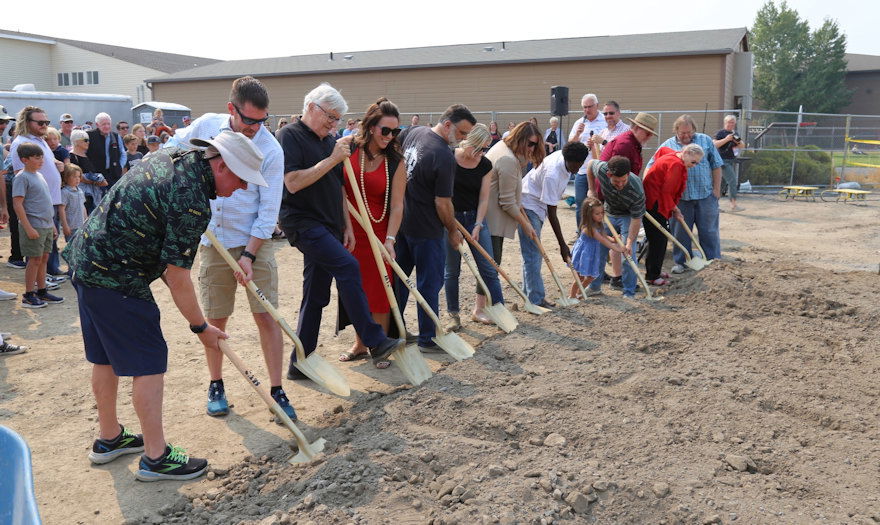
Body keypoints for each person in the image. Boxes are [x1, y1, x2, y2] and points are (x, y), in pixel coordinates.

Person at [63, 130, 266, 481]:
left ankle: (109, 438)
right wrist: (201, 327)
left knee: (104, 356)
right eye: (243, 179)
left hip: (86, 259)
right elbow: (178, 277)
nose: (245, 188)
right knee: (149, 362)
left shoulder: (174, 154)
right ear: (220, 166)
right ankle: (156, 458)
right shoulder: (192, 201)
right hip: (117, 277)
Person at [181, 76, 291, 421]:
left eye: (263, 120)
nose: (257, 128)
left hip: (253, 240)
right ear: (232, 109)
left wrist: (249, 254)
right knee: (215, 316)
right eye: (249, 120)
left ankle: (276, 389)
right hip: (213, 239)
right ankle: (216, 383)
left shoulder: (271, 150)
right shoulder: (206, 126)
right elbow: (175, 150)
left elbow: (268, 209)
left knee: (266, 315)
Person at [277, 83, 404, 377]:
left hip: (330, 226)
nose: (333, 124)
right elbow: (293, 182)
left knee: (316, 295)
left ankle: (300, 362)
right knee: (349, 265)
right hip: (303, 223)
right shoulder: (290, 136)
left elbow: (339, 190)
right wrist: (333, 159)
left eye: (337, 119)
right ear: (311, 108)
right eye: (330, 117)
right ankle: (373, 339)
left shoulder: (327, 140)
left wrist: (345, 226)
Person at [395, 104, 475, 349]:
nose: (462, 139)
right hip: (426, 230)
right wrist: (452, 230)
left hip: (401, 223)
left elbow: (396, 152)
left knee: (399, 280)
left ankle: (394, 331)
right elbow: (442, 202)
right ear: (448, 124)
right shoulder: (443, 155)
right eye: (461, 133)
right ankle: (428, 337)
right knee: (429, 284)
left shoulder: (415, 131)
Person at [339, 98, 406, 365]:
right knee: (355, 289)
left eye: (395, 132)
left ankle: (380, 344)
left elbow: (398, 205)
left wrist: (390, 240)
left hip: (379, 231)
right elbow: (340, 190)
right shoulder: (348, 148)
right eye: (385, 130)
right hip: (351, 230)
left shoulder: (395, 160)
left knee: (380, 288)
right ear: (370, 127)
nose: (389, 137)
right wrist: (345, 227)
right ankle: (360, 344)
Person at [443, 124, 506, 330]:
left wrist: (478, 225)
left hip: (474, 218)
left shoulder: (485, 164)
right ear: (469, 142)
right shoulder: (450, 158)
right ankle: (454, 315)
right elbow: (443, 195)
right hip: (451, 219)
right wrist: (452, 225)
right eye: (479, 148)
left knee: (488, 267)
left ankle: (500, 311)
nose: (481, 153)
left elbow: (484, 198)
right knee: (452, 271)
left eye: (485, 149)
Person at [645, 114, 723, 274]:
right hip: (680, 199)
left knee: (709, 231)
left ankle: (713, 261)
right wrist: (650, 186)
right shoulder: (668, 145)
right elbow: (651, 165)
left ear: (694, 129)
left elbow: (717, 165)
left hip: (705, 195)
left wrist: (716, 189)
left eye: (689, 132)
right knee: (680, 232)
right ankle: (682, 262)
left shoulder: (705, 141)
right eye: (682, 133)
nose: (686, 136)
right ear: (676, 131)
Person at [519, 141, 589, 307]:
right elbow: (552, 212)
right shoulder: (553, 174)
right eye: (577, 166)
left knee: (531, 253)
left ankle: (528, 294)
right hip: (529, 205)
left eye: (581, 165)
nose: (578, 169)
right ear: (568, 160)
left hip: (537, 204)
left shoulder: (566, 159)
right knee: (534, 254)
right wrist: (562, 245)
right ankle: (536, 300)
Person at [597, 111, 657, 288]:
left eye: (650, 134)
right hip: (614, 199)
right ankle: (618, 278)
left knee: (622, 242)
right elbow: (606, 172)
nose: (649, 137)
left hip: (624, 196)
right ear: (637, 128)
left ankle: (618, 277)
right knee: (621, 242)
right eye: (647, 133)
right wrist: (597, 197)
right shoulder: (625, 145)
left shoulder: (634, 144)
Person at [10, 106, 66, 278]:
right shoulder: (20, 144)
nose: (44, 125)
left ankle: (50, 273)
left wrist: (58, 163)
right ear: (27, 122)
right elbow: (21, 177)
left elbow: (48, 160)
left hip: (50, 200)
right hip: (36, 205)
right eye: (40, 122)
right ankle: (40, 281)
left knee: (48, 244)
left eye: (46, 122)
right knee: (37, 249)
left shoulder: (40, 140)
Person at [485, 121, 544, 272]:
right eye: (530, 144)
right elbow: (507, 202)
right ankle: (484, 297)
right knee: (492, 266)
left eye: (535, 145)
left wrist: (523, 213)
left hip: (489, 214)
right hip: (492, 220)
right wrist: (526, 225)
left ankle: (485, 296)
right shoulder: (508, 160)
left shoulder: (503, 147)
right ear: (520, 138)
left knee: (491, 265)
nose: (532, 149)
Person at [641, 144, 704, 285]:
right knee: (659, 239)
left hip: (654, 199)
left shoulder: (673, 153)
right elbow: (666, 192)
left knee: (659, 237)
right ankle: (652, 276)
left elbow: (661, 151)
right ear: (685, 153)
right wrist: (675, 209)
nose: (694, 165)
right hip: (654, 203)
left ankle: (654, 270)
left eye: (697, 163)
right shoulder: (676, 166)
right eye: (693, 162)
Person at [11, 143, 64, 308]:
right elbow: (18, 204)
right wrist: (28, 227)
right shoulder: (21, 177)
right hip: (34, 225)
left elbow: (45, 203)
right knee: (33, 260)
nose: (41, 160)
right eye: (36, 157)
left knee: (44, 258)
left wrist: (52, 225)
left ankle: (42, 290)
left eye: (41, 157)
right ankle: (28, 294)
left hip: (46, 225)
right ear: (24, 160)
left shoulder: (39, 175)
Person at [585, 155, 645, 298]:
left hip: (628, 216)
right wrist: (592, 190)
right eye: (616, 181)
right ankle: (594, 287)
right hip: (608, 213)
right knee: (599, 250)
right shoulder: (602, 169)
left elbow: (636, 219)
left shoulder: (637, 190)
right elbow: (590, 164)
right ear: (609, 175)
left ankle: (629, 291)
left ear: (628, 175)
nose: (620, 184)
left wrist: (629, 242)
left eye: (623, 180)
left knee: (628, 254)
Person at [569, 198, 625, 298]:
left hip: (592, 253)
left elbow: (604, 236)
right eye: (597, 214)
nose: (600, 216)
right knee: (580, 277)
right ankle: (572, 296)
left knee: (591, 277)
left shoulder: (599, 225)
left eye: (602, 213)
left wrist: (613, 240)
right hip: (584, 254)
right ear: (589, 215)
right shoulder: (588, 228)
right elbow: (602, 240)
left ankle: (579, 293)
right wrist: (617, 249)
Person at [569, 93, 606, 225]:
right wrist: (578, 134)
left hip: (599, 170)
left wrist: (598, 144)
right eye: (584, 107)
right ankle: (581, 234)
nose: (587, 110)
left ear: (597, 106)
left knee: (598, 205)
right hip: (582, 170)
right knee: (580, 203)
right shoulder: (579, 123)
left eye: (590, 106)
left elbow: (611, 144)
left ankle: (599, 233)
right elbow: (569, 145)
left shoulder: (605, 121)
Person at [69, 129, 107, 214]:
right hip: (81, 195)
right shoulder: (72, 156)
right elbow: (76, 176)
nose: (88, 142)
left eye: (88, 140)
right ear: (76, 141)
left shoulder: (87, 155)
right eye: (85, 140)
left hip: (92, 195)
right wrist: (95, 182)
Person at [714, 115, 745, 212]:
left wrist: (737, 141)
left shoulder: (735, 133)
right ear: (725, 123)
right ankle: (733, 205)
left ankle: (714, 206)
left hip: (731, 160)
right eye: (729, 122)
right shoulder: (721, 133)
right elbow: (714, 144)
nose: (731, 124)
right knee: (732, 181)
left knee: (721, 184)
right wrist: (727, 139)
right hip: (722, 161)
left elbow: (742, 145)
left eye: (733, 122)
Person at [86, 112, 126, 187]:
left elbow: (123, 153)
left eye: (108, 124)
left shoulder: (116, 136)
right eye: (104, 124)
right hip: (97, 176)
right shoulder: (89, 135)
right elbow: (84, 154)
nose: (107, 126)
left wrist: (119, 166)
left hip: (113, 175)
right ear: (97, 125)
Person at [59, 164, 87, 242]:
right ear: (66, 177)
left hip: (81, 225)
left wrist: (86, 220)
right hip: (71, 226)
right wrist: (65, 226)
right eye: (74, 177)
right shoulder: (65, 192)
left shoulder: (80, 191)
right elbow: (61, 209)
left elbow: (83, 206)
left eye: (78, 176)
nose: (77, 179)